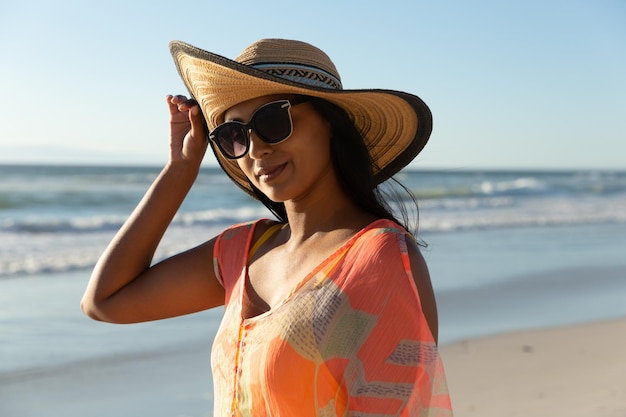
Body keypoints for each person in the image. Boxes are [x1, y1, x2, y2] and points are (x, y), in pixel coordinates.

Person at [81, 38, 453, 416]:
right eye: (234, 135)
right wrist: (179, 171)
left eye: (273, 121)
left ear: (329, 123)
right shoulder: (243, 250)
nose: (255, 148)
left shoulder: (377, 258)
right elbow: (106, 301)